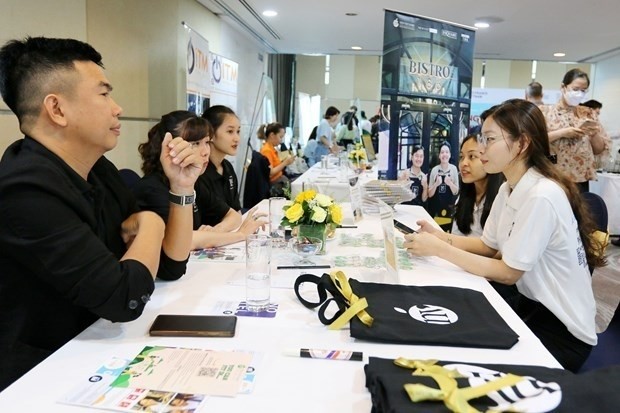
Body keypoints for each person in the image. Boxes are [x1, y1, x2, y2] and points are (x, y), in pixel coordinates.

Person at [0, 37, 202, 390]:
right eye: (104, 94)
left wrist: (182, 188)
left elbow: (168, 265)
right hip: (41, 374)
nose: (117, 108)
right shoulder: (25, 191)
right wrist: (153, 223)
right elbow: (126, 298)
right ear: (57, 109)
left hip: (98, 349)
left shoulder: (98, 170)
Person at [404, 99, 606, 372]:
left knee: (464, 362)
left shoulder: (541, 195)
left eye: (489, 140)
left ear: (522, 144)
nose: (482, 149)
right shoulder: (510, 187)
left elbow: (508, 272)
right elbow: (488, 246)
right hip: (532, 309)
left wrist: (439, 249)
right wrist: (441, 238)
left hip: (562, 332)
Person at [134, 111, 266, 250]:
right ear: (169, 148)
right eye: (195, 143)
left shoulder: (194, 181)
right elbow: (183, 241)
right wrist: (241, 234)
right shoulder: (152, 189)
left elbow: (233, 215)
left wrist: (215, 232)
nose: (205, 152)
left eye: (207, 142)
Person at [540, 69, 609, 192]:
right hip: (554, 175)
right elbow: (536, 140)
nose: (579, 94)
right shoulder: (546, 112)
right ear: (563, 87)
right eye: (575, 89)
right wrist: (562, 133)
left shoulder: (588, 113)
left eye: (583, 90)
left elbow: (599, 150)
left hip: (581, 177)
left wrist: (594, 135)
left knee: (580, 210)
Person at [452, 135, 504, 237]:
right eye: (461, 157)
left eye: (472, 156)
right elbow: (456, 235)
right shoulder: (463, 197)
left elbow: (497, 251)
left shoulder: (503, 196)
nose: (463, 163)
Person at [427, 141, 459, 228]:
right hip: (436, 209)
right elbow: (429, 194)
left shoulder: (454, 169)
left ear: (450, 154)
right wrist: (436, 184)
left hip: (450, 209)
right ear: (439, 155)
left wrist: (450, 183)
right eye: (442, 152)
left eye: (446, 152)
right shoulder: (434, 170)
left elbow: (456, 192)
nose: (444, 154)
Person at [257, 122, 295, 194]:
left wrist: (286, 161)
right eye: (280, 137)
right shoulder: (267, 150)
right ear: (272, 135)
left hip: (280, 179)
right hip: (275, 184)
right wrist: (285, 163)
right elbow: (270, 172)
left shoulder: (272, 149)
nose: (281, 140)